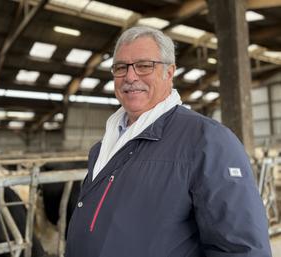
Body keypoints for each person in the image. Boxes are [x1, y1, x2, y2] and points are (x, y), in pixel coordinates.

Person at [65, 26, 272, 257]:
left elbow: (241, 249)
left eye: (144, 66)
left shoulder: (208, 140)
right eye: (121, 67)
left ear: (170, 72)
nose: (130, 76)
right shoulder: (102, 148)